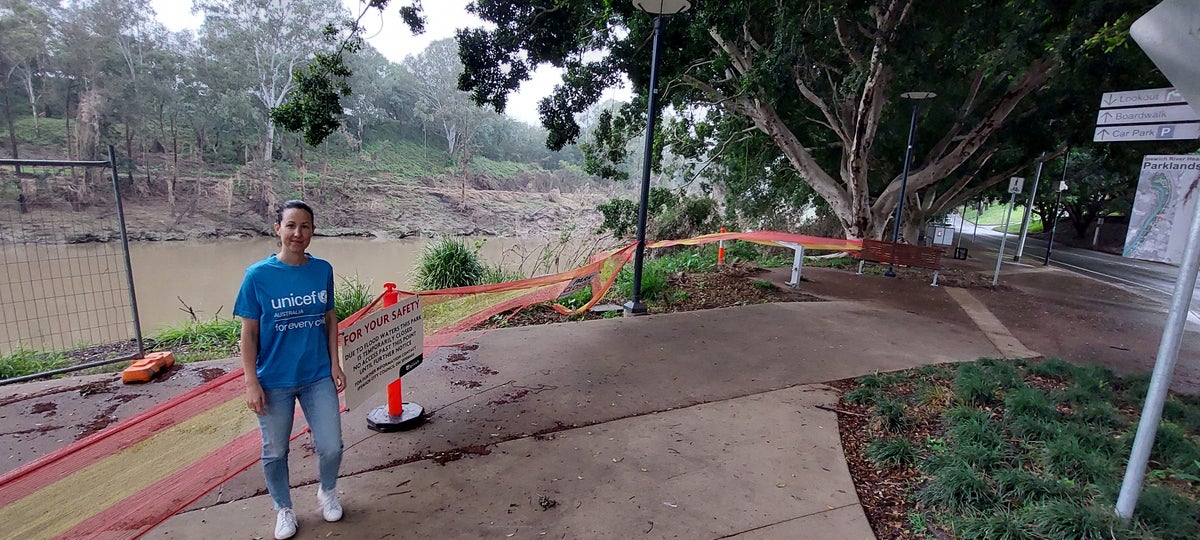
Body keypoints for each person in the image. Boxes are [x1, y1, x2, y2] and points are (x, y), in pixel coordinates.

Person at [234, 200, 346, 540]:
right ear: (277, 229)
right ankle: (283, 508)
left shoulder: (322, 270)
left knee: (332, 446)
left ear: (313, 231)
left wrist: (334, 363)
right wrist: (251, 381)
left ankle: (327, 491)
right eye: (291, 226)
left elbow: (329, 319)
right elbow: (249, 333)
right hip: (274, 380)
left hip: (316, 376)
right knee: (275, 450)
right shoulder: (258, 276)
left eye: (305, 227)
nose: (298, 233)